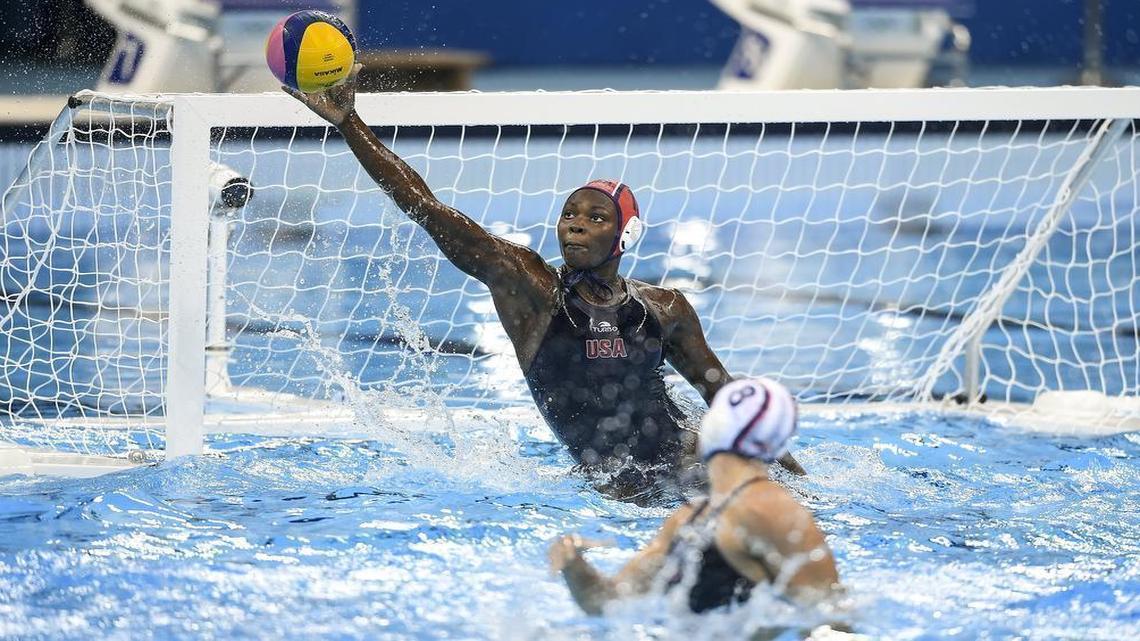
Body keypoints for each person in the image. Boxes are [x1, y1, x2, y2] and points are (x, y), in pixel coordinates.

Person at [283, 69, 804, 497]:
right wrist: (349, 122)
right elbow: (428, 210)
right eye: (569, 213)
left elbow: (723, 393)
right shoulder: (533, 292)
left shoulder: (664, 308)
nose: (575, 222)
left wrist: (796, 477)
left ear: (625, 235)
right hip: (617, 488)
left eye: (596, 217)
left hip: (695, 462)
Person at [547, 378, 840, 615]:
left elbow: (604, 603)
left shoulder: (704, 518)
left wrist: (573, 563)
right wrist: (575, 565)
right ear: (776, 445)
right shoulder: (756, 511)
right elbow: (834, 621)